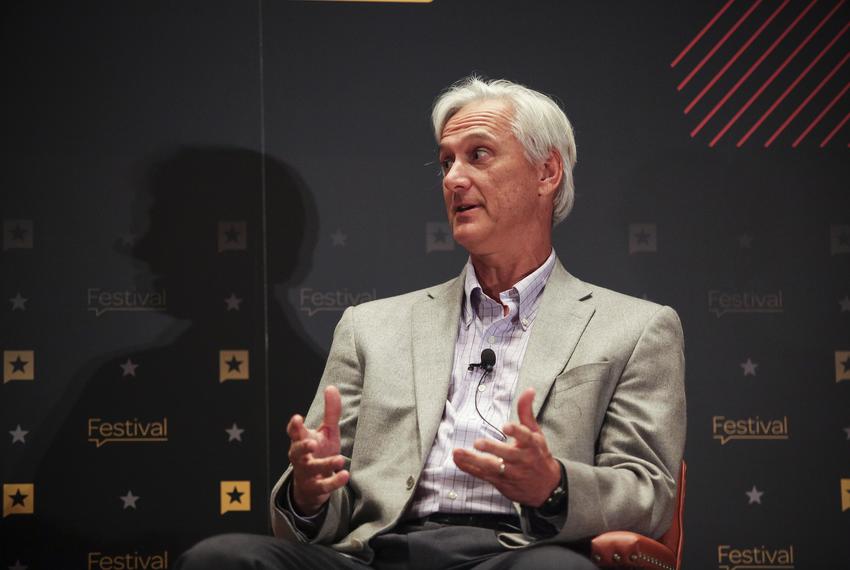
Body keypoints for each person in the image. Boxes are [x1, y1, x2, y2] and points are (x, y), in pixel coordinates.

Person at [177, 76, 686, 570]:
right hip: (378, 552)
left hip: (518, 553)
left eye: (478, 155)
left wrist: (552, 485)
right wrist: (309, 492)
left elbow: (648, 492)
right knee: (219, 559)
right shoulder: (371, 328)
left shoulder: (634, 328)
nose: (453, 178)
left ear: (546, 172)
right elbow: (314, 514)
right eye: (446, 162)